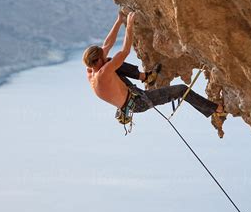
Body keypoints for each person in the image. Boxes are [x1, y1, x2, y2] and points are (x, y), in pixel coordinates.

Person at [83, 11, 226, 126]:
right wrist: (129, 26)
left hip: (129, 96)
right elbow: (124, 52)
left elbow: (107, 44)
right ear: (98, 61)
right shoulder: (103, 73)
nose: (105, 54)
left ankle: (145, 77)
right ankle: (217, 109)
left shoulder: (91, 69)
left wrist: (119, 21)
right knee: (182, 90)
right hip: (138, 103)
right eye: (102, 57)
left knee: (111, 62)